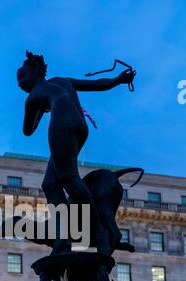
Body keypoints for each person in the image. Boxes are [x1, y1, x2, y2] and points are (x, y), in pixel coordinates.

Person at [17, 51, 136, 256]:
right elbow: (97, 84)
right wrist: (119, 79)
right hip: (80, 125)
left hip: (62, 122)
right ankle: (66, 232)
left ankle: (96, 233)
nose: (19, 83)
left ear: (35, 72)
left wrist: (37, 108)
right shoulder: (61, 81)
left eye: (21, 76)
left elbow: (27, 131)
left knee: (68, 179)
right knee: (50, 184)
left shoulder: (33, 97)